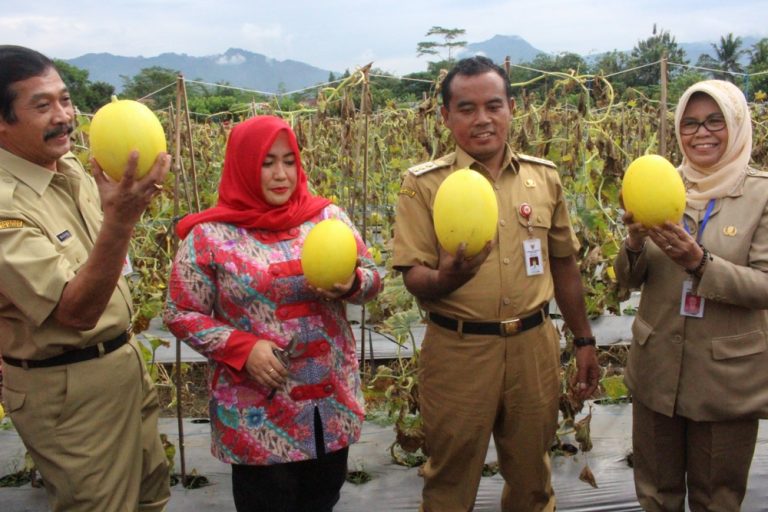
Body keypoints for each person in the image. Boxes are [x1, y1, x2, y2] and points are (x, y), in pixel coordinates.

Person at [392, 55, 600, 512]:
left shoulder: (543, 177)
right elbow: (412, 275)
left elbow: (564, 265)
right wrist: (446, 278)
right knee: (449, 480)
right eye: (466, 109)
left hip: (533, 348)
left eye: (493, 105)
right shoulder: (424, 185)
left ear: (512, 108)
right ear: (445, 116)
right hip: (459, 352)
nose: (482, 119)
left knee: (533, 480)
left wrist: (584, 339)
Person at [163, 115, 382, 512]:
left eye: (289, 161)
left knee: (323, 499)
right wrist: (242, 348)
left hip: (328, 405)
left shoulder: (327, 218)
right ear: (243, 166)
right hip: (259, 413)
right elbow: (180, 311)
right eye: (267, 163)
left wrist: (352, 283)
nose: (281, 174)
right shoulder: (209, 237)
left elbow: (371, 276)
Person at [0, 45, 171, 511]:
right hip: (67, 388)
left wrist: (125, 210)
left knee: (150, 498)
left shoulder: (73, 168)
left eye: (65, 99)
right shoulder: (6, 206)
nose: (63, 116)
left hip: (122, 365)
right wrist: (121, 221)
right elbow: (75, 312)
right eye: (42, 105)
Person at [615, 79, 768, 511]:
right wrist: (633, 241)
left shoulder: (761, 194)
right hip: (657, 370)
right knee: (655, 494)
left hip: (725, 380)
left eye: (715, 121)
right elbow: (628, 280)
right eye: (690, 123)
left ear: (736, 124)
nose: (701, 133)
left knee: (716, 498)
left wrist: (701, 264)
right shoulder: (661, 183)